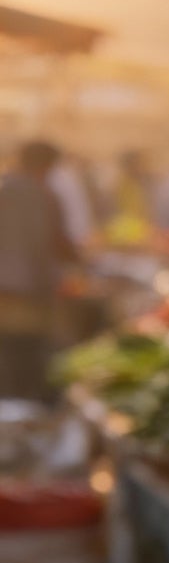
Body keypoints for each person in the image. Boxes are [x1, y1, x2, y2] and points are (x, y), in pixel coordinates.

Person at [0, 141, 78, 399]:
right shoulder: (42, 194)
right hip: (32, 288)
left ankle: (13, 404)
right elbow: (55, 241)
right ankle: (29, 404)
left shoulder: (5, 187)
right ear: (46, 166)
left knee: (11, 349)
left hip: (8, 289)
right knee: (32, 349)